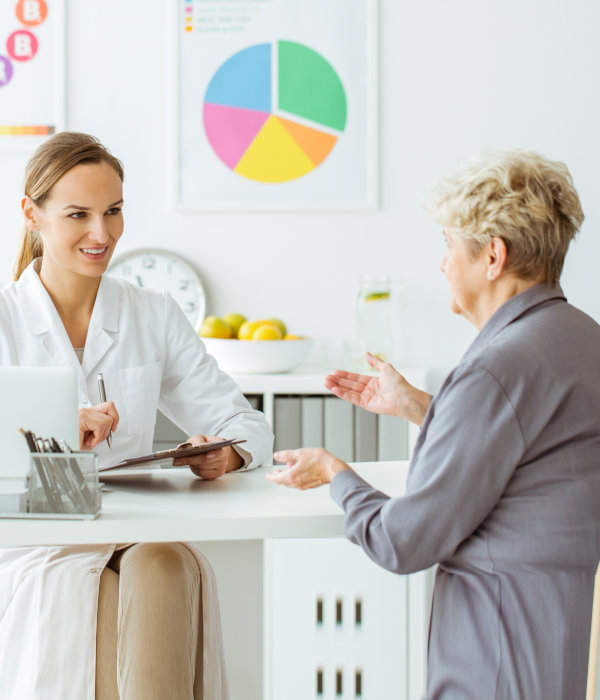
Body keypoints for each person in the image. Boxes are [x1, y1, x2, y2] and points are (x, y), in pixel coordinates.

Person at [267, 150, 600, 698]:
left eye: (448, 246)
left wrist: (336, 474)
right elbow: (533, 452)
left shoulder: (495, 369)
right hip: (552, 646)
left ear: (492, 256)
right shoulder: (578, 337)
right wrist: (424, 407)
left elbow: (403, 541)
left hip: (493, 660)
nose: (442, 264)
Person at [0, 132, 274, 700]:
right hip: (35, 546)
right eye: (78, 214)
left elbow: (245, 424)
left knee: (167, 565)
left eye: (114, 211)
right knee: (97, 596)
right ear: (32, 214)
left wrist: (227, 451)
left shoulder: (152, 313)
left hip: (136, 529)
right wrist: (53, 438)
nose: (102, 234)